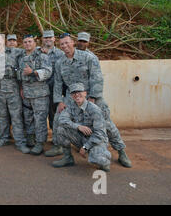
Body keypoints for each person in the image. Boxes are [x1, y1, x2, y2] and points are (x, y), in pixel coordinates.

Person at [48, 33, 132, 168]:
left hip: (91, 96)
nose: (64, 46)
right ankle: (67, 156)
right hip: (71, 98)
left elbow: (97, 78)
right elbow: (58, 83)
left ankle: (121, 152)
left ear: (73, 42)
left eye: (67, 43)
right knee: (59, 121)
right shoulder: (60, 62)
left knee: (107, 125)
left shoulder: (88, 57)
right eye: (62, 44)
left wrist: (93, 97)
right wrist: (59, 101)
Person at [52, 83, 111, 172]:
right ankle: (68, 158)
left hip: (95, 140)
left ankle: (104, 158)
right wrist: (78, 126)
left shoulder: (94, 109)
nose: (76, 95)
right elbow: (62, 120)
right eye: (74, 93)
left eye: (79, 92)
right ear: (71, 96)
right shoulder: (71, 106)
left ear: (85, 93)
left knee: (99, 160)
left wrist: (85, 147)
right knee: (61, 129)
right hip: (81, 137)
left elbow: (100, 134)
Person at [0, 34, 29, 154]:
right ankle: (3, 138)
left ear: (3, 41)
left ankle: (20, 142)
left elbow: (29, 50)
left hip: (13, 91)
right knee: (2, 116)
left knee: (16, 117)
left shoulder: (15, 52)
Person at [18, 34, 52, 155]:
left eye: (30, 41)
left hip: (40, 94)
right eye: (25, 42)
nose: (27, 44)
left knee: (40, 120)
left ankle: (40, 143)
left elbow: (48, 72)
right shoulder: (21, 57)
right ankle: (31, 139)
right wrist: (21, 88)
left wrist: (33, 72)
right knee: (28, 118)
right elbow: (20, 75)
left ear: (35, 43)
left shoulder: (42, 56)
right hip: (26, 93)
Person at [39, 30, 65, 150]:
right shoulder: (37, 52)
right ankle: (40, 141)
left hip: (55, 90)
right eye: (45, 37)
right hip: (40, 90)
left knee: (55, 116)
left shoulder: (60, 54)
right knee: (40, 115)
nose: (47, 39)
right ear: (42, 39)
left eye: (50, 37)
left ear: (54, 39)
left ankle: (56, 142)